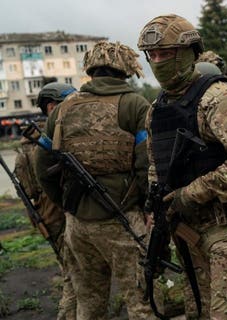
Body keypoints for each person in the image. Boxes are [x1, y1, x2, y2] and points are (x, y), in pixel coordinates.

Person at [138, 14, 227, 319]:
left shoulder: (220, 98)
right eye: (152, 55)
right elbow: (157, 169)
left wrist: (193, 192)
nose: (157, 61)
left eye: (166, 53)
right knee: (198, 312)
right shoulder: (158, 109)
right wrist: (156, 214)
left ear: (188, 52)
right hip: (188, 232)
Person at [34, 41, 152, 319]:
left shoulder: (64, 108)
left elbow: (43, 166)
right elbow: (148, 166)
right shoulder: (135, 104)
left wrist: (66, 204)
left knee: (88, 304)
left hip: (77, 224)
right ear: (126, 70)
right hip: (124, 220)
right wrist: (148, 209)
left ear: (90, 69)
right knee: (141, 302)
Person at [14, 82, 76, 319]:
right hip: (55, 209)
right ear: (52, 107)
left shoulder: (31, 144)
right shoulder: (47, 141)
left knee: (70, 267)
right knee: (73, 271)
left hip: (46, 211)